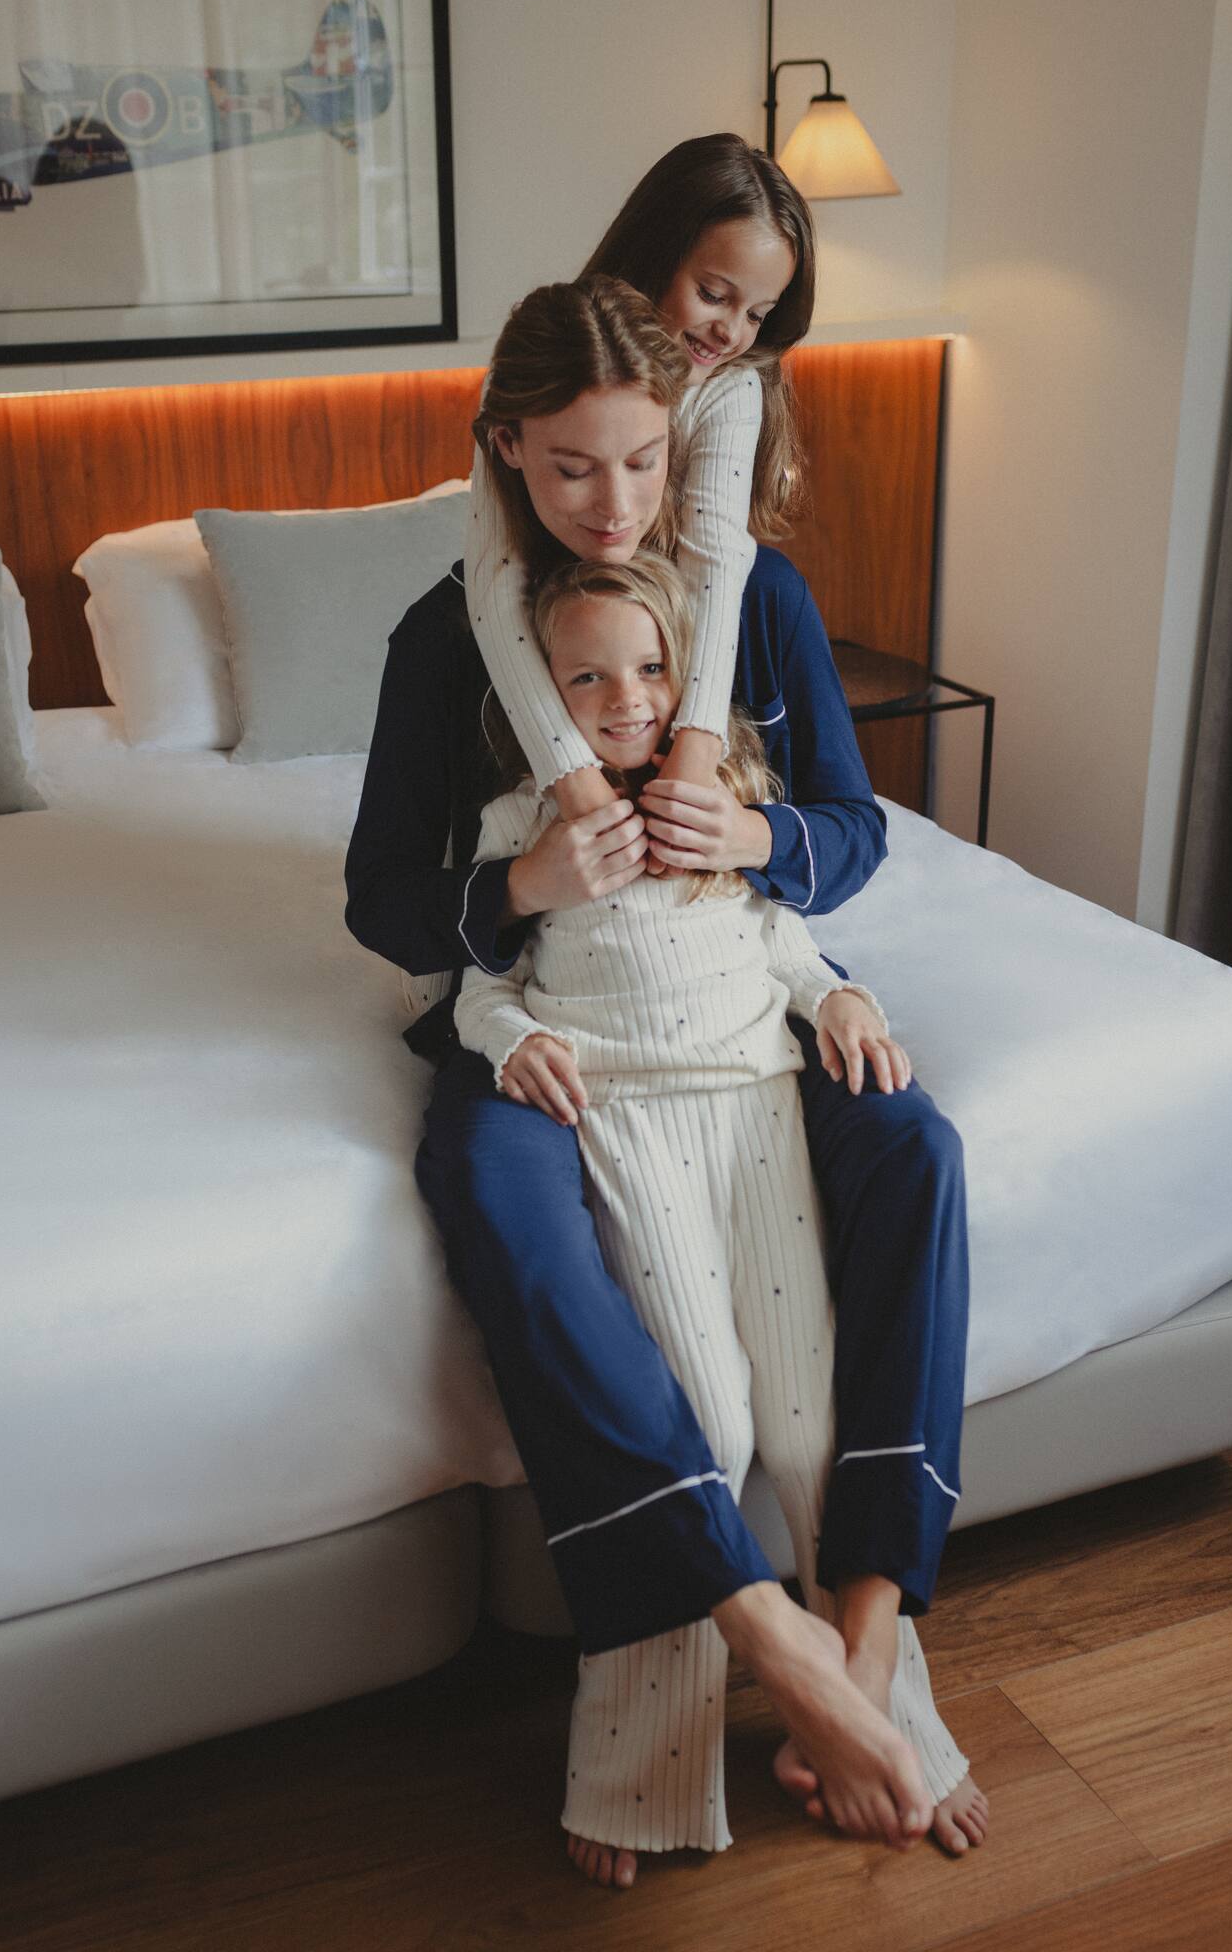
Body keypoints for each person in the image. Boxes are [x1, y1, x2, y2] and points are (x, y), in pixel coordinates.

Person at [343, 277, 981, 1889]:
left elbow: (846, 829)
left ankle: (868, 1647)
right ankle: (729, 1678)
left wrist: (763, 850)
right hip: (555, 1015)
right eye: (567, 471)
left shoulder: (745, 603)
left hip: (738, 1004)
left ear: (680, 442)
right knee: (499, 1194)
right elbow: (382, 901)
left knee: (913, 1145)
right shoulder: (446, 638)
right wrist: (527, 894)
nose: (607, 507)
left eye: (635, 466)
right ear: (506, 455)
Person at [455, 552, 969, 1868]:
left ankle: (881, 1706)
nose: (624, 698)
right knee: (711, 1426)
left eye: (649, 668)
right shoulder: (526, 818)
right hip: (630, 1121)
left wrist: (838, 994)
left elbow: (780, 934)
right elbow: (473, 978)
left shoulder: (723, 792)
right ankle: (641, 1776)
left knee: (805, 1433)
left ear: (689, 681)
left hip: (759, 1103)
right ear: (542, 692)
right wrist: (513, 1036)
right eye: (586, 674)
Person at [465, 133, 810, 830]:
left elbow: (714, 554)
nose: (731, 333)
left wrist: (694, 751)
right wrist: (574, 779)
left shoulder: (730, 389)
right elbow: (497, 581)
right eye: (713, 294)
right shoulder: (533, 387)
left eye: (757, 314)